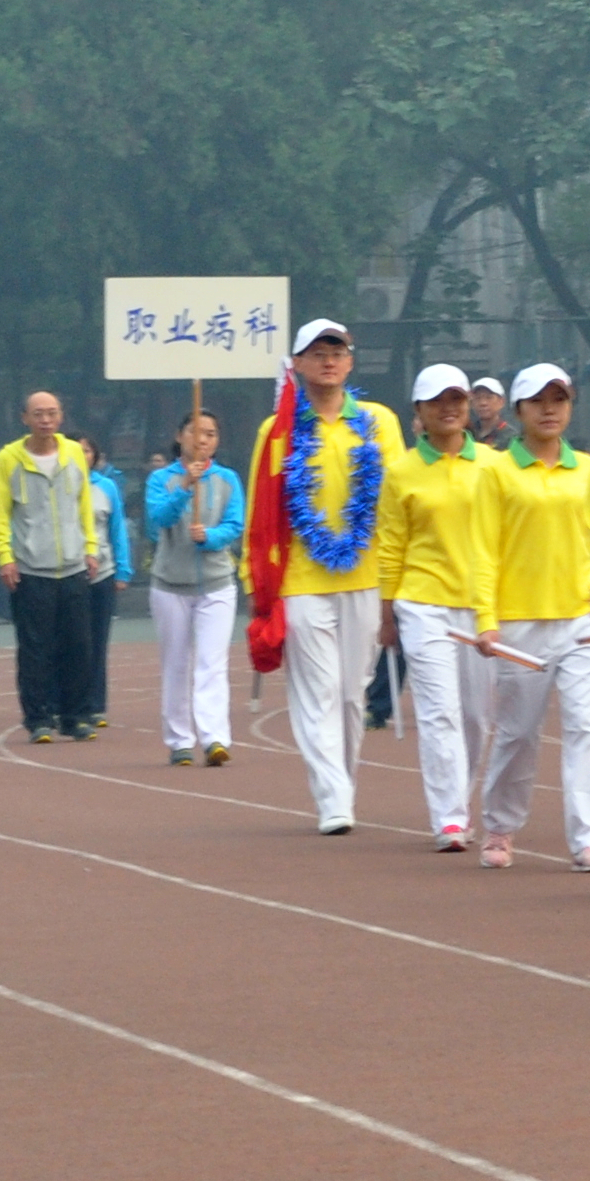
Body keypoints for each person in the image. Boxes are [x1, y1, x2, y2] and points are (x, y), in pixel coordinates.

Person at [255, 320, 401, 834]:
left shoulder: (380, 423)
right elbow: (262, 511)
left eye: (337, 351)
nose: (328, 361)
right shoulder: (277, 430)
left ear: (351, 361)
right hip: (301, 580)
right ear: (296, 364)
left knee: (351, 693)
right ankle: (332, 797)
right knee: (318, 689)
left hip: (365, 576)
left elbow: (400, 502)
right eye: (316, 353)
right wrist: (258, 583)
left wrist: (397, 583)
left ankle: (342, 782)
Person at [471, 364, 590, 870]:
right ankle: (500, 827)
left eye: (560, 399)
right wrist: (486, 619)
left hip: (581, 620)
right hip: (520, 622)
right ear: (519, 410)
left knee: (587, 727)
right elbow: (483, 550)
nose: (550, 409)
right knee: (517, 732)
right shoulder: (496, 472)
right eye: (539, 401)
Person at [378, 363, 506, 852]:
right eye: (438, 401)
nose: (450, 408)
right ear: (419, 412)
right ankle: (450, 817)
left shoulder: (495, 466)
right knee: (439, 713)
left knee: (476, 717)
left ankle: (461, 796)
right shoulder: (403, 472)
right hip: (422, 602)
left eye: (457, 398)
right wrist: (387, 613)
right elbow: (391, 545)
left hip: (479, 606)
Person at [0, 390, 119, 743]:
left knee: (79, 645)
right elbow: (0, 513)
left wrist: (90, 549)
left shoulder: (74, 453)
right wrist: (5, 556)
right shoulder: (9, 458)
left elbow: (83, 505)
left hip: (74, 567)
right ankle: (38, 718)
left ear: (61, 416)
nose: (45, 420)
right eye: (38, 414)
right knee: (35, 649)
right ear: (25, 418)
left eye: (51, 413)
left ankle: (76, 716)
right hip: (31, 570)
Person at [143, 411, 245, 767]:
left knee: (211, 663)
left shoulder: (228, 479)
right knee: (176, 664)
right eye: (195, 432)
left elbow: (235, 524)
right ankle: (179, 740)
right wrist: (185, 485)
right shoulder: (161, 479)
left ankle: (215, 737)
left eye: (211, 434)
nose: (203, 440)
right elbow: (157, 520)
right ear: (180, 436)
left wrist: (211, 537)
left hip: (216, 584)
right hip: (170, 584)